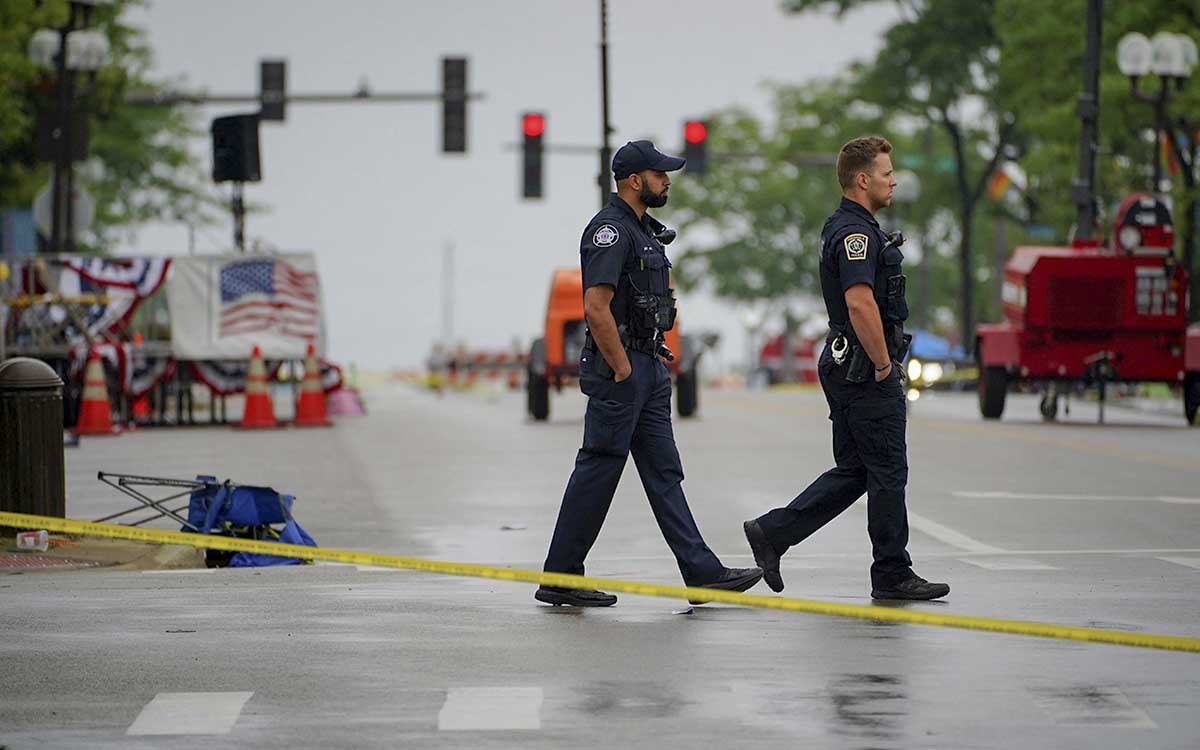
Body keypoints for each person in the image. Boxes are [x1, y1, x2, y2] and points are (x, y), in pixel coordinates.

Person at [536, 140, 762, 607]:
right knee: (598, 471)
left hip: (648, 365)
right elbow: (595, 309)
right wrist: (622, 369)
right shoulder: (610, 232)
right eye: (659, 174)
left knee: (664, 474)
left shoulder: (643, 230)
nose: (668, 180)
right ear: (635, 180)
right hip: (622, 369)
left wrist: (649, 366)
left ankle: (702, 573)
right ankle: (560, 576)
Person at [742, 136, 950, 601]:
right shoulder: (855, 234)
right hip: (862, 367)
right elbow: (860, 303)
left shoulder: (854, 227)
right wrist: (883, 365)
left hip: (847, 365)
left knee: (858, 470)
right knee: (888, 471)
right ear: (862, 180)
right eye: (885, 172)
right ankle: (893, 573)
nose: (893, 180)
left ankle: (773, 533)